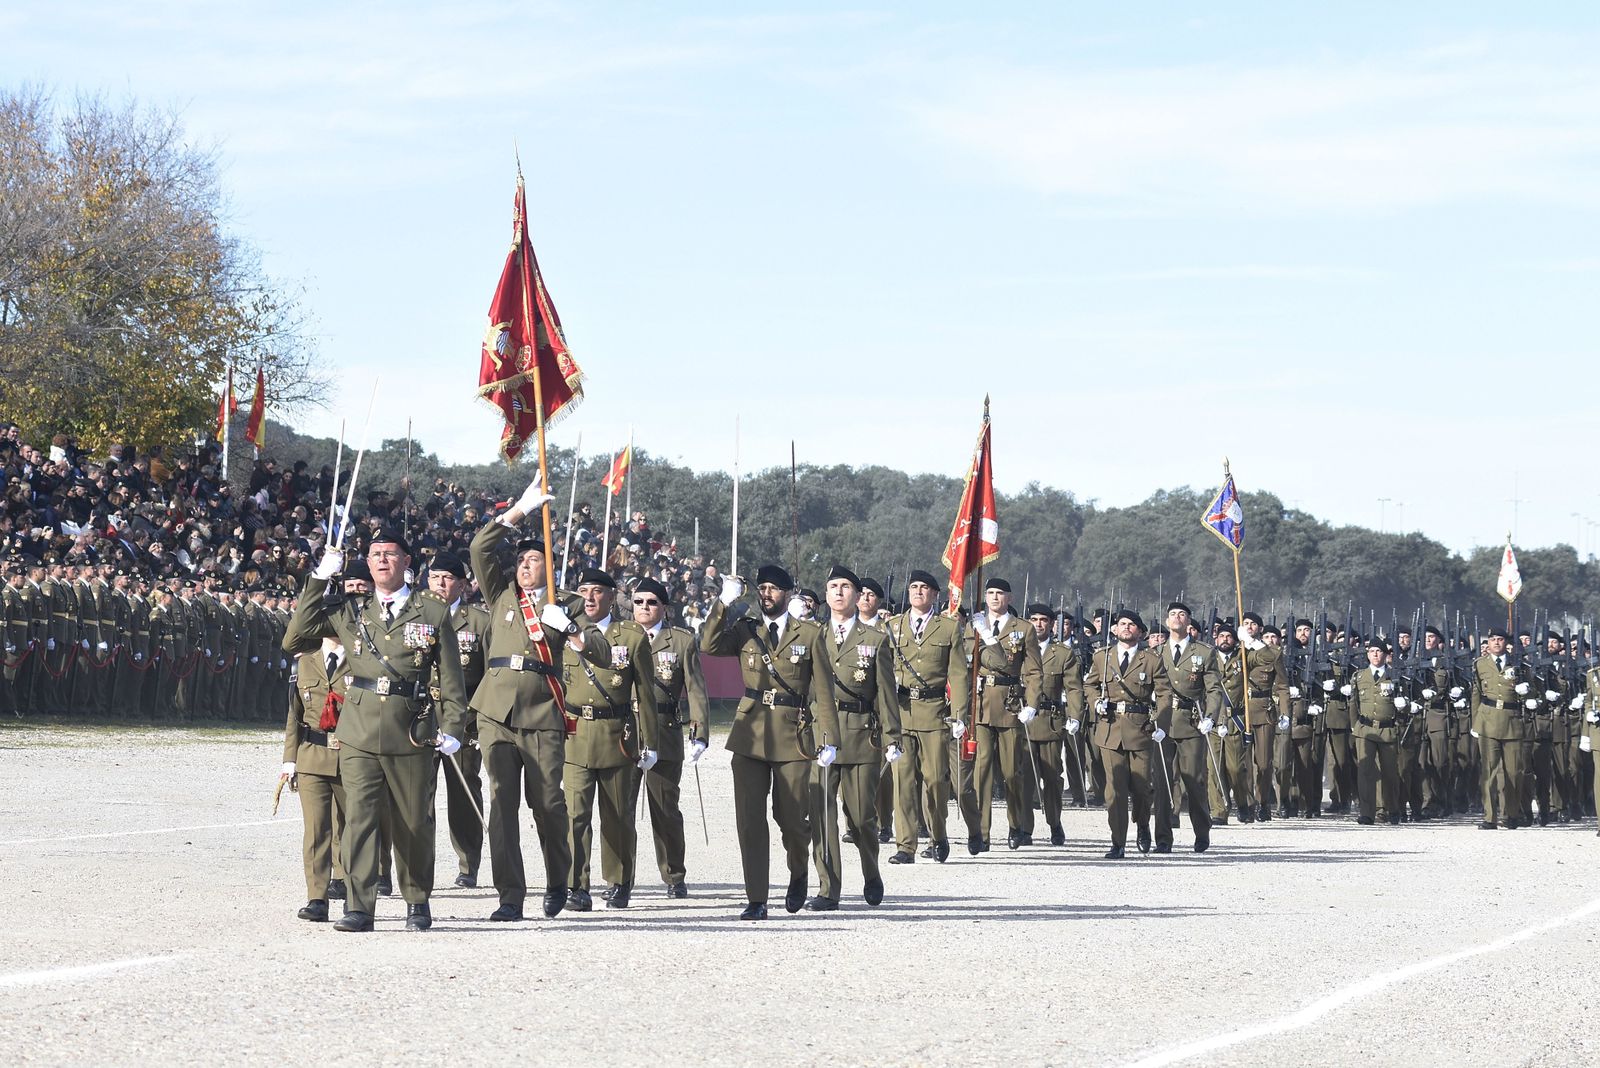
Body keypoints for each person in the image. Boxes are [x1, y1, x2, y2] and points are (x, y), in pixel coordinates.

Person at [282, 530, 468, 932]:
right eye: (375, 554)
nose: (382, 560)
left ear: (406, 563)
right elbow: (295, 637)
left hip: (411, 730)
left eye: (390, 554)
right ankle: (359, 906)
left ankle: (417, 899)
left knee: (413, 821)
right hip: (360, 730)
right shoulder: (351, 610)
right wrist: (318, 579)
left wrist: (453, 727)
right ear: (367, 564)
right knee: (360, 821)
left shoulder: (432, 611)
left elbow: (450, 678)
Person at [467, 482, 608, 922]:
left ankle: (557, 881)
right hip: (495, 713)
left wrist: (569, 628)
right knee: (500, 802)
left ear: (551, 564)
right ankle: (510, 895)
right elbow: (478, 549)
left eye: (535, 559)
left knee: (548, 803)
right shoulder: (502, 595)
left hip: (543, 712)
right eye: (522, 560)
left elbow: (602, 654)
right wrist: (518, 513)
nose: (526, 566)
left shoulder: (567, 602)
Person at [699, 564, 841, 920]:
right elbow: (708, 644)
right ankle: (757, 897)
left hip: (793, 734)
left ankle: (798, 869)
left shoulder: (809, 634)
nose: (766, 593)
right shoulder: (746, 629)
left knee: (791, 817)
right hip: (750, 733)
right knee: (749, 819)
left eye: (774, 589)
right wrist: (723, 603)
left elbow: (822, 689)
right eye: (761, 587)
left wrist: (829, 738)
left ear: (789, 593)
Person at [561, 567, 658, 911]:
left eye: (597, 591)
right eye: (583, 590)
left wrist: (651, 743)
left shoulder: (629, 636)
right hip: (574, 735)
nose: (588, 598)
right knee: (575, 814)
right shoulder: (565, 632)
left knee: (616, 815)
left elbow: (645, 693)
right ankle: (576, 885)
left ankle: (619, 880)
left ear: (611, 595)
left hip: (617, 734)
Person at [808, 565, 900, 911]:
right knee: (822, 813)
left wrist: (892, 737)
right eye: (832, 586)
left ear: (858, 595)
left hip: (861, 734)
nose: (838, 592)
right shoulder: (813, 636)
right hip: (821, 733)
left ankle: (871, 871)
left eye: (845, 586)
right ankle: (828, 887)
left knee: (861, 817)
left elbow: (886, 694)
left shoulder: (874, 640)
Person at [883, 569, 969, 864]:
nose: (918, 591)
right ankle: (905, 845)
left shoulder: (947, 628)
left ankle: (937, 834)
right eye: (914, 587)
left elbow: (957, 674)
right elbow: (884, 670)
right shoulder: (893, 626)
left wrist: (959, 715)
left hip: (934, 715)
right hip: (902, 714)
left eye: (924, 588)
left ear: (935, 594)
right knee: (903, 782)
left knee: (935, 781)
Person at [631, 576, 709, 898]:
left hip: (664, 732)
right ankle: (621, 880)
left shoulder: (680, 641)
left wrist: (700, 732)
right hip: (626, 731)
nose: (644, 608)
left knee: (665, 810)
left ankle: (674, 876)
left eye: (651, 602)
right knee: (620, 811)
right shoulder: (618, 637)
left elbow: (696, 688)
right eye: (638, 602)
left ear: (664, 607)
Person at [960, 577, 1042, 853]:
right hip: (981, 705)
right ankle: (981, 832)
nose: (994, 598)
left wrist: (1032, 703)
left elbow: (1032, 670)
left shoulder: (1024, 629)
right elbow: (964, 665)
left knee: (1011, 771)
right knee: (982, 770)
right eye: (990, 593)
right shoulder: (974, 626)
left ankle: (1015, 824)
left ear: (1009, 597)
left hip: (1010, 705)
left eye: (1000, 593)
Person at [425, 551, 489, 888]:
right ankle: (421, 866)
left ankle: (468, 864)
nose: (439, 584)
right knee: (418, 793)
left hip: (461, 719)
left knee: (463, 791)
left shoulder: (478, 622)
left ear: (462, 585)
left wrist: (476, 719)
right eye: (434, 577)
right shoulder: (415, 616)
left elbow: (491, 675)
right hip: (420, 717)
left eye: (447, 578)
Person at [1078, 608, 1164, 858]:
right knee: (1113, 789)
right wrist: (1095, 702)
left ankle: (1143, 825)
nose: (1126, 627)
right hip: (1110, 728)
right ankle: (1117, 841)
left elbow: (1164, 694)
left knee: (1141, 787)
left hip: (1140, 729)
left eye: (1132, 624)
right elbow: (1089, 684)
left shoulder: (1151, 660)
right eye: (1122, 623)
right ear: (1114, 629)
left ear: (1140, 632)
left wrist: (1159, 721)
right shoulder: (1102, 657)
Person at [280, 637, 348, 921]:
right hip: (312, 755)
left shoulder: (362, 656)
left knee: (353, 830)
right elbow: (294, 715)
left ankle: (354, 895)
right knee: (316, 830)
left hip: (351, 756)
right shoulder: (304, 661)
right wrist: (289, 760)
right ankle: (317, 898)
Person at [1150, 602, 1221, 852]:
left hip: (1191, 723)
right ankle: (1163, 838)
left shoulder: (1203, 652)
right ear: (1167, 622)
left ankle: (1202, 833)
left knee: (1194, 780)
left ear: (1188, 622)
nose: (1176, 618)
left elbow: (1213, 688)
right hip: (1163, 723)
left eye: (1181, 614)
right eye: (1172, 614)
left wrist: (1211, 717)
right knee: (1162, 782)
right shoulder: (1156, 653)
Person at [1022, 603, 1085, 846]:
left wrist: (1075, 716)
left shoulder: (1062, 654)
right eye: (1034, 619)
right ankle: (1024, 829)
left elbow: (1074, 688)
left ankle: (1054, 821)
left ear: (1051, 624)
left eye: (1043, 620)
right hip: (1023, 723)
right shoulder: (1018, 650)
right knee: (1024, 778)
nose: (1038, 624)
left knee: (1052, 776)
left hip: (1050, 722)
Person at [1471, 627, 1531, 830]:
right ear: (1487, 643)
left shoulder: (1520, 666)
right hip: (1487, 721)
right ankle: (1490, 816)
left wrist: (1526, 692)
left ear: (1506, 643)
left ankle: (1512, 814)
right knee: (1489, 772)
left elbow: (1530, 696)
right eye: (1493, 639)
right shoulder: (1480, 665)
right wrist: (1474, 723)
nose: (1496, 643)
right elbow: (1476, 694)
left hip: (1512, 721)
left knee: (1514, 772)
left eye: (1500, 639)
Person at [1349, 636, 1403, 825]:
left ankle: (1393, 808)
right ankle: (1367, 813)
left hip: (1387, 730)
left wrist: (1402, 707)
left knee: (1390, 773)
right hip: (1365, 729)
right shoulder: (1359, 676)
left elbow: (1402, 703)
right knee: (1365, 772)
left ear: (1385, 654)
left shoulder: (1394, 675)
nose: (1375, 654)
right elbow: (1353, 703)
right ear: (1367, 654)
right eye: (1372, 651)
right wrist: (1354, 725)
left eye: (1379, 651)